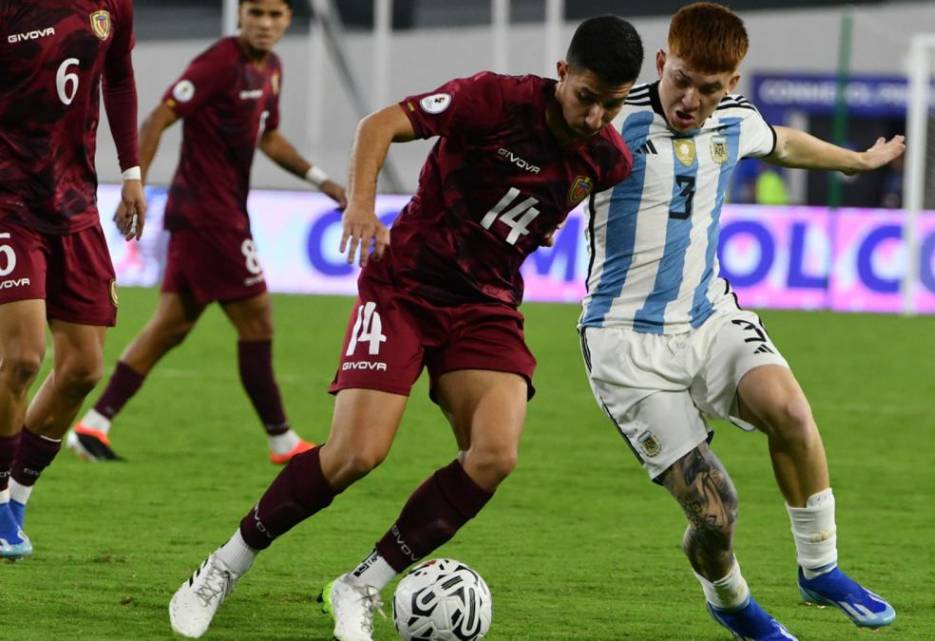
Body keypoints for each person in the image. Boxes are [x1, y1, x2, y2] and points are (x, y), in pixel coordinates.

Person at [167, 15, 642, 641]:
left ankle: (361, 584)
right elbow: (379, 125)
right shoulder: (493, 98)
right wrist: (362, 205)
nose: (593, 116)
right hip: (406, 288)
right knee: (356, 454)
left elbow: (557, 198)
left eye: (611, 105)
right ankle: (223, 566)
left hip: (486, 305)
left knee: (494, 455)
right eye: (586, 97)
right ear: (562, 74)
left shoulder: (609, 159)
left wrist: (545, 223)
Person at [578, 4, 904, 640]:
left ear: (732, 84)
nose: (692, 100)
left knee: (791, 413)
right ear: (662, 63)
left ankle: (821, 568)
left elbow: (781, 142)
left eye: (711, 87)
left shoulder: (735, 119)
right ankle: (729, 601)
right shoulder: (611, 123)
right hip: (625, 342)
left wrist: (854, 162)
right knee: (716, 511)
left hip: (709, 315)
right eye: (683, 81)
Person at [67, 0, 346, 464]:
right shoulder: (218, 63)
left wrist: (323, 180)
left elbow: (268, 136)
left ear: (288, 21)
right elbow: (159, 117)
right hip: (208, 216)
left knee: (168, 327)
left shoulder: (271, 68)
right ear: (240, 15)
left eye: (275, 15)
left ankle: (93, 426)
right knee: (257, 319)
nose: (265, 24)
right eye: (256, 13)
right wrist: (135, 183)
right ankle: (282, 440)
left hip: (216, 213)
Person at [0, 0, 146, 559]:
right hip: (9, 201)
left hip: (75, 202)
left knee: (83, 367)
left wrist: (131, 172)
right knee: (22, 359)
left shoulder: (113, 5)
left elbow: (120, 76)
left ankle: (16, 497)